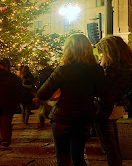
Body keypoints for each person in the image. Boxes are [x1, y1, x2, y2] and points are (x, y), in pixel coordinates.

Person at [36, 33, 105, 166]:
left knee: (63, 158)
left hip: (63, 117)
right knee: (78, 157)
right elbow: (101, 92)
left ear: (68, 49)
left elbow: (42, 93)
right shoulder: (96, 70)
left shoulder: (63, 70)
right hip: (84, 117)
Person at [94, 36, 132, 166]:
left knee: (109, 149)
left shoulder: (111, 71)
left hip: (106, 110)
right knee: (114, 147)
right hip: (117, 108)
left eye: (102, 52)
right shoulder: (127, 68)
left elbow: (105, 93)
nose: (101, 56)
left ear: (109, 52)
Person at [0, 59, 23, 147]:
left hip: (8, 103)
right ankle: (3, 137)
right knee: (1, 122)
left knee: (6, 121)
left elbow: (18, 90)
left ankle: (5, 139)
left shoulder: (11, 78)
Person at [35, 60, 55, 128]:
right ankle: (50, 119)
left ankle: (41, 121)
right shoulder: (52, 74)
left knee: (42, 108)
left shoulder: (41, 75)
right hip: (51, 93)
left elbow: (38, 84)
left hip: (42, 92)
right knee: (50, 107)